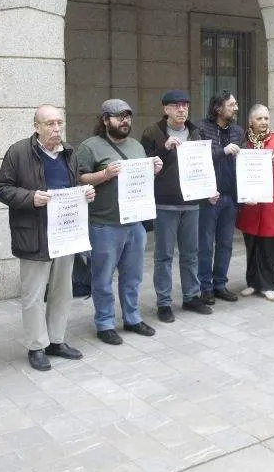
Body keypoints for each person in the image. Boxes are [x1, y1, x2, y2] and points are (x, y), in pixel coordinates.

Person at [0, 104, 95, 371]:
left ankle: (56, 340)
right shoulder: (18, 152)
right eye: (50, 124)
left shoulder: (69, 153)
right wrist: (31, 198)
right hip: (34, 235)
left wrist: (84, 194)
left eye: (59, 123)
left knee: (63, 290)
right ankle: (36, 346)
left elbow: (71, 188)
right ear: (36, 127)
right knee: (34, 294)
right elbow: (2, 189)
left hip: (65, 234)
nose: (56, 129)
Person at [76, 99, 163, 345]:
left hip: (135, 223)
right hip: (104, 224)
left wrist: (154, 168)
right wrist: (105, 174)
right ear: (105, 120)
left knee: (133, 275)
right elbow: (80, 179)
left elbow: (142, 180)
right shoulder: (90, 147)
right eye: (118, 116)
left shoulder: (136, 145)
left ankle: (132, 318)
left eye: (127, 116)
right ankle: (104, 323)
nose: (124, 121)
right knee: (102, 278)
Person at [141, 89, 217, 323]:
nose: (182, 109)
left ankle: (191, 296)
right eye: (176, 106)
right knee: (163, 255)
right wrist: (164, 148)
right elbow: (144, 165)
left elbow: (203, 166)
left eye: (185, 105)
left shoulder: (196, 132)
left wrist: (209, 191)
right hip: (165, 203)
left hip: (192, 203)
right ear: (166, 110)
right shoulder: (153, 132)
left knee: (190, 253)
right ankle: (164, 302)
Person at [236, 104, 274, 301]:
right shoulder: (244, 142)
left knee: (270, 245)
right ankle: (252, 282)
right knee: (251, 244)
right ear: (250, 121)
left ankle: (269, 284)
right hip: (251, 204)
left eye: (266, 119)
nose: (263, 122)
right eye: (259, 119)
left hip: (272, 203)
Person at [196, 90, 243, 305]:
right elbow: (198, 158)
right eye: (231, 104)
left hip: (230, 197)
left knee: (225, 244)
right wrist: (223, 151)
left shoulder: (238, 131)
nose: (235, 108)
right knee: (205, 244)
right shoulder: (201, 129)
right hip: (208, 198)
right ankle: (205, 287)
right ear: (218, 108)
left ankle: (220, 285)